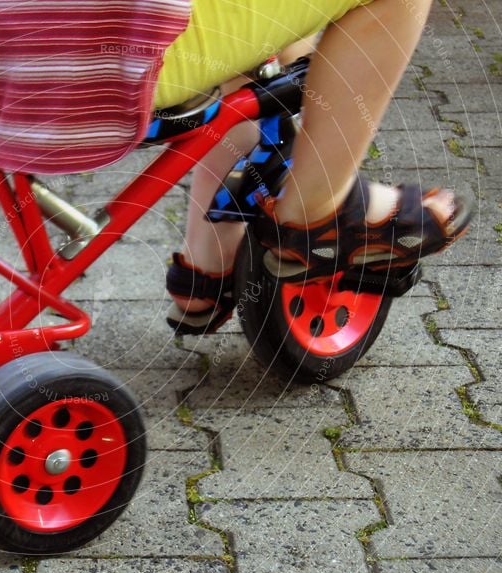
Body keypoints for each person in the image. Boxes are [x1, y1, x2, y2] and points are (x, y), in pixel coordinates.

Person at [159, 0, 472, 334]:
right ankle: (317, 206)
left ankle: (209, 254)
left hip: (108, 71)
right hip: (148, 53)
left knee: (255, 26)